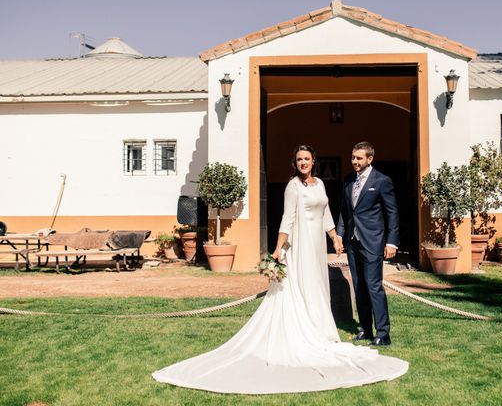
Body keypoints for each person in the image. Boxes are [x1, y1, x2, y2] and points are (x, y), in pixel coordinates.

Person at [152, 145, 408, 394]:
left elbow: (328, 211)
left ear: (313, 161)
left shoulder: (320, 184)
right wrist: (277, 250)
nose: (303, 163)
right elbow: (287, 219)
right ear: (295, 164)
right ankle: (314, 331)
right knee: (303, 287)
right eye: (299, 160)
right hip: (300, 245)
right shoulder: (292, 186)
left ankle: (326, 330)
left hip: (318, 246)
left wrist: (334, 236)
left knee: (320, 286)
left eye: (307, 159)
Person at [337, 142, 399, 346]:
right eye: (353, 157)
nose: (354, 161)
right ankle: (365, 329)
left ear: (370, 159)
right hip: (353, 243)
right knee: (359, 286)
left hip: (373, 242)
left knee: (374, 286)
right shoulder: (348, 181)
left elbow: (392, 213)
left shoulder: (382, 181)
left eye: (359, 158)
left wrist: (392, 242)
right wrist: (339, 235)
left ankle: (383, 333)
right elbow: (345, 212)